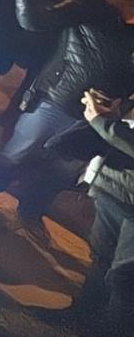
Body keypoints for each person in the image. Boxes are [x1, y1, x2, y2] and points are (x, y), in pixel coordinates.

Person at [0, 0, 134, 215]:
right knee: (15, 153)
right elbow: (34, 21)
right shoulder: (89, 8)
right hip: (56, 101)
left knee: (61, 172)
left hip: (97, 119)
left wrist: (123, 105)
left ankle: (31, 211)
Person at [70, 87, 134, 332]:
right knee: (101, 259)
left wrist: (101, 122)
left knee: (124, 280)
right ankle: (79, 317)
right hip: (115, 187)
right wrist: (114, 111)